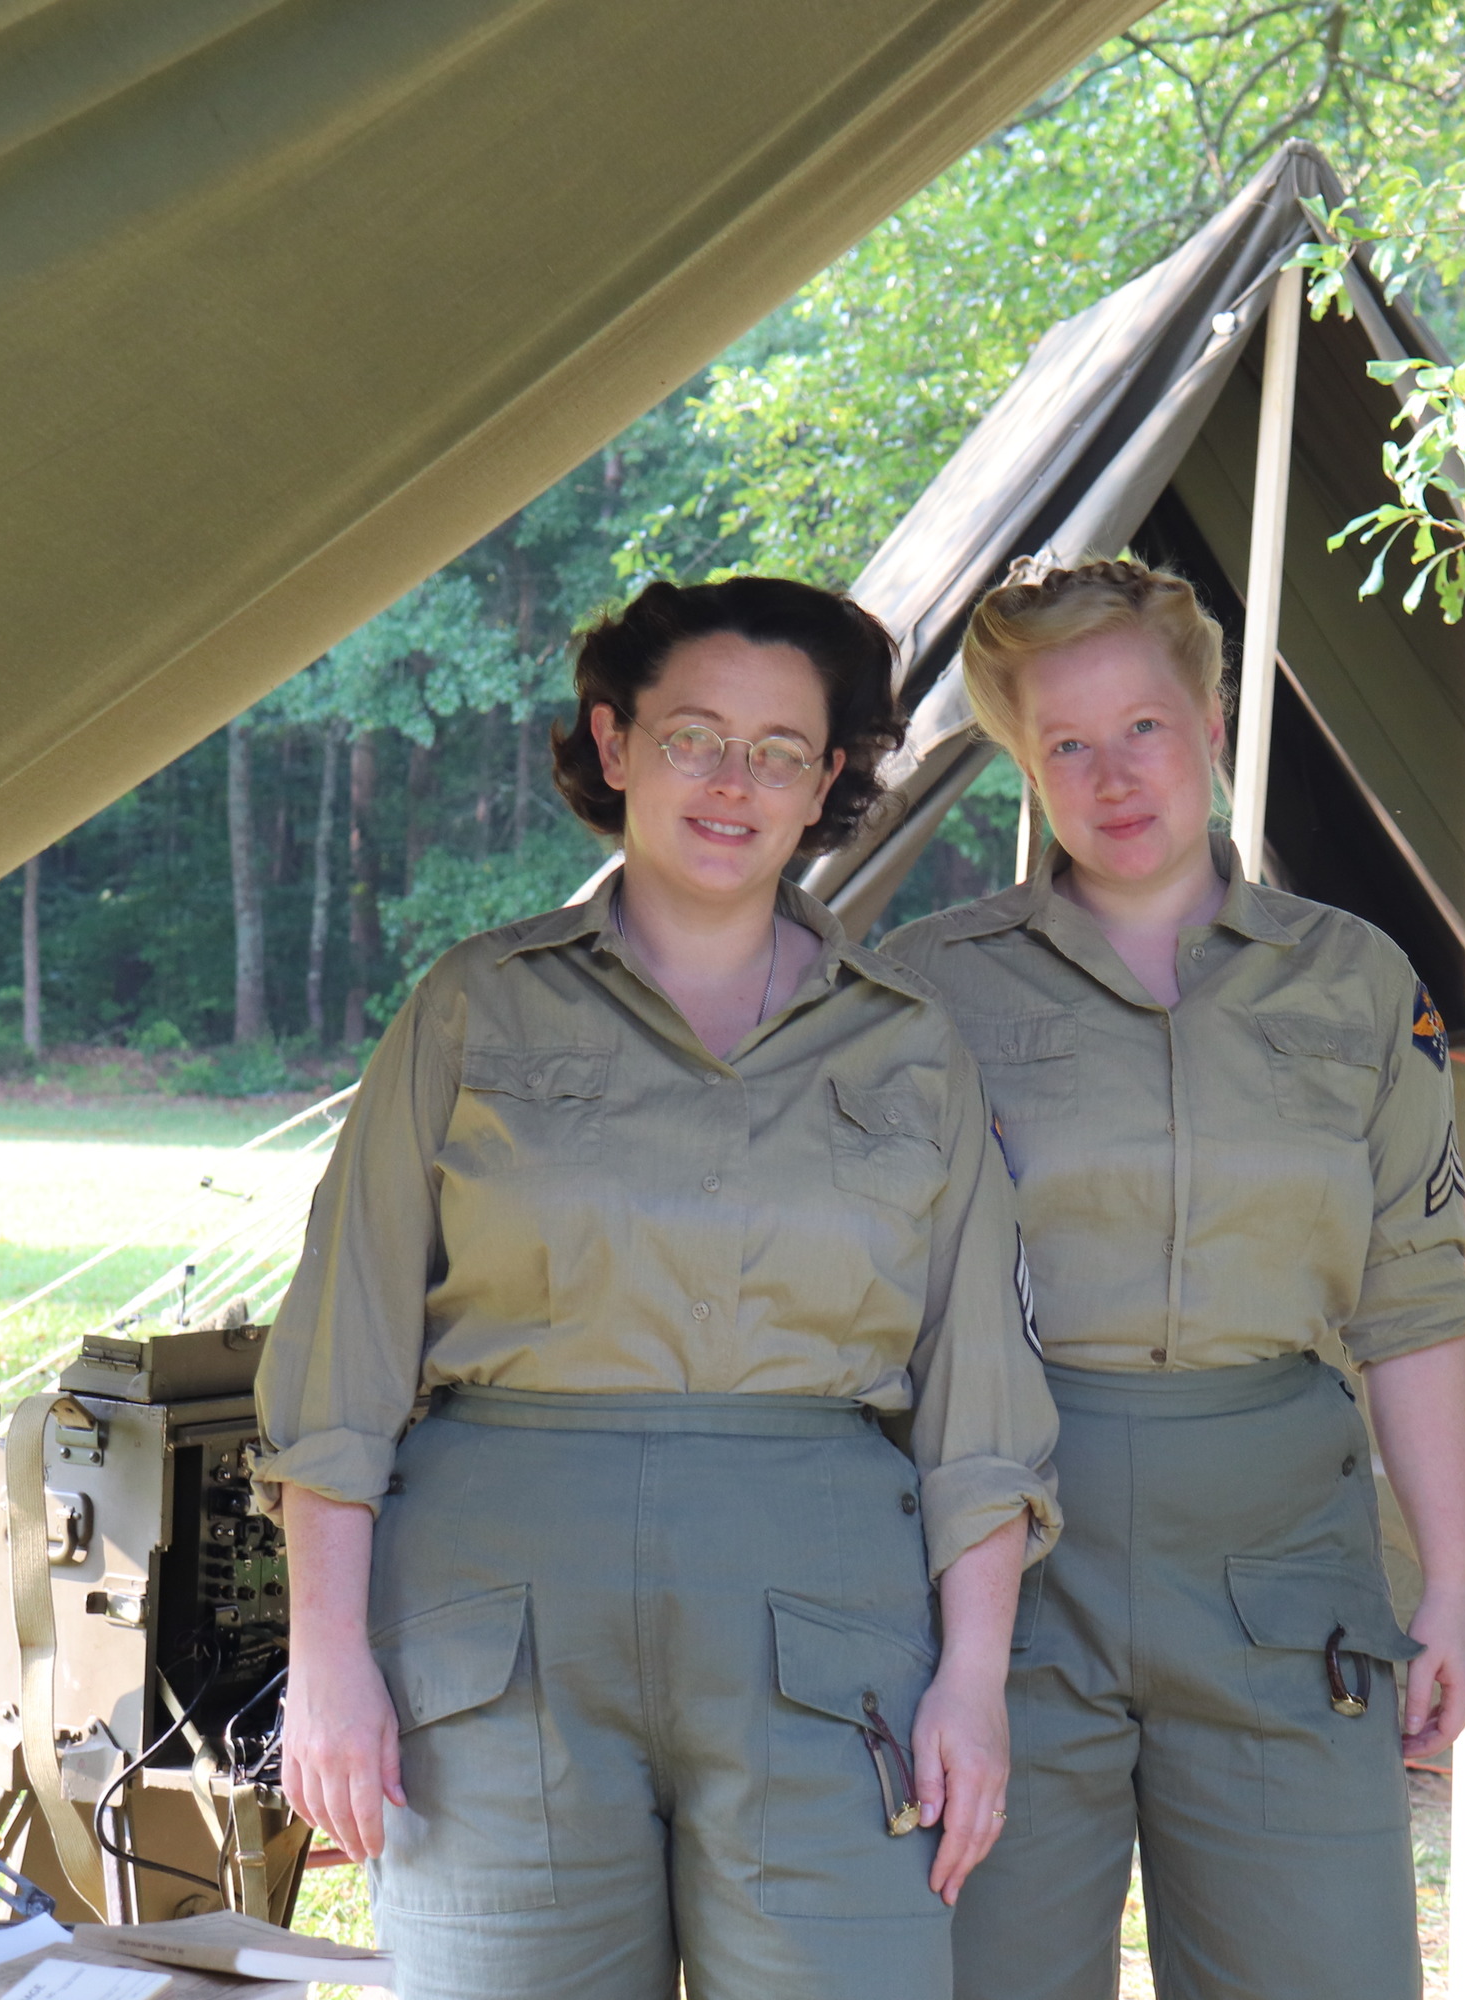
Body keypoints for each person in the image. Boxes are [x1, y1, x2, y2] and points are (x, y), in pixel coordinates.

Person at [253, 576, 1060, 2000]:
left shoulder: (909, 1048)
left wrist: (975, 1683)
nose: (733, 783)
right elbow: (341, 1364)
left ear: (826, 783)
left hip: (825, 1632)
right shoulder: (472, 1007)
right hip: (497, 1642)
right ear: (614, 744)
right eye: (695, 736)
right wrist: (325, 1660)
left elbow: (980, 1404)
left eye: (778, 752)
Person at [883, 557, 1465, 1999]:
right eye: (1065, 745)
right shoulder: (926, 989)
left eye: (1143, 726)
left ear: (1210, 718)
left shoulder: (1351, 982)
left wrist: (1457, 1582)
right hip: (1006, 1548)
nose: (1113, 776)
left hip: (1281, 1557)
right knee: (992, 1968)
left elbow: (1409, 1294)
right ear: (1024, 768)